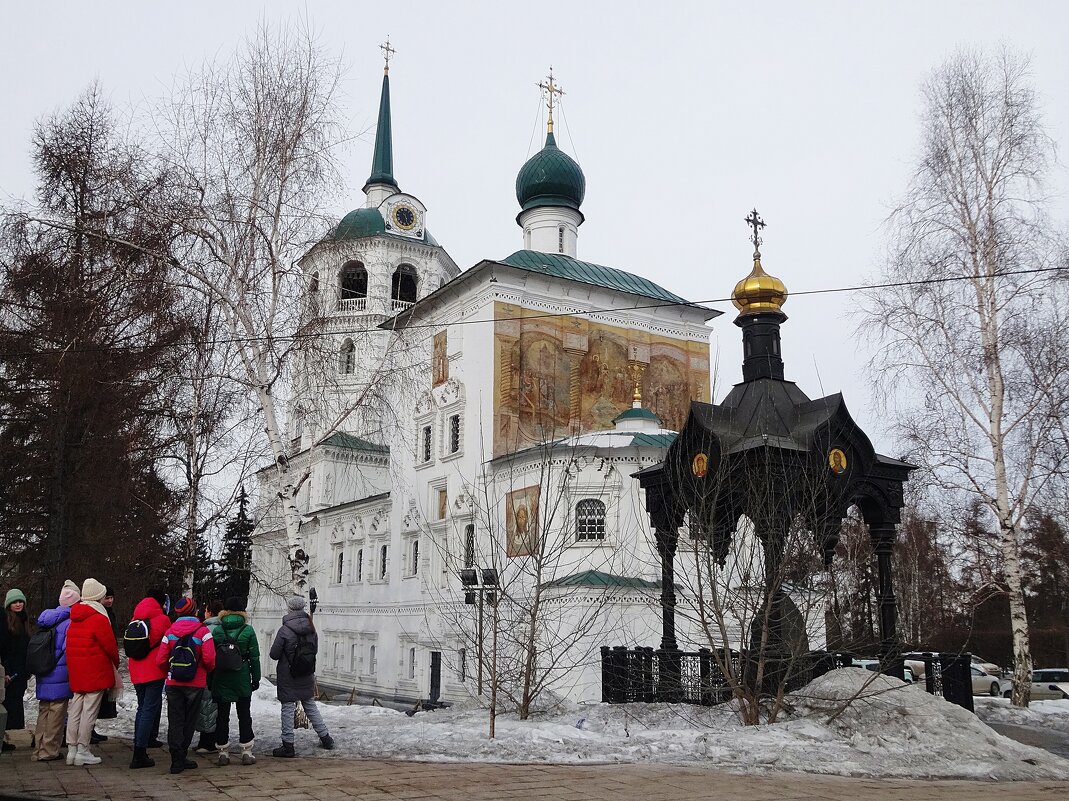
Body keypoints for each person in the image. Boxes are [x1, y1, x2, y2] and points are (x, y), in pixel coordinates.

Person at [156, 596, 216, 774]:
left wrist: (170, 670)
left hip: (174, 682)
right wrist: (205, 670)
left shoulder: (169, 631)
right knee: (189, 720)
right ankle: (182, 755)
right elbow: (210, 658)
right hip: (195, 683)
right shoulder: (203, 631)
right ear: (194, 610)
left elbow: (160, 660)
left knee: (175, 719)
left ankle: (175, 759)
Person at [269, 596, 333, 757]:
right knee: (310, 705)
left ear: (290, 609)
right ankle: (326, 738)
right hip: (306, 672)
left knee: (288, 708)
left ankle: (288, 745)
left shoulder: (285, 630)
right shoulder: (312, 628)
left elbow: (274, 654)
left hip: (288, 674)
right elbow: (315, 650)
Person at [65, 578, 119, 766]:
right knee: (89, 712)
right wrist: (116, 664)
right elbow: (110, 646)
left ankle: (71, 750)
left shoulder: (75, 617)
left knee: (75, 710)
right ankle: (83, 750)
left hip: (77, 671)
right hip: (95, 671)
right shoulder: (98, 617)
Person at [210, 596, 260, 766]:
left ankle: (223, 752)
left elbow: (211, 658)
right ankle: (246, 750)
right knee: (244, 714)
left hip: (221, 677)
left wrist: (211, 680)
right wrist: (256, 679)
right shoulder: (248, 630)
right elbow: (254, 657)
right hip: (242, 676)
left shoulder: (217, 631)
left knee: (222, 716)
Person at [32, 581, 79, 761]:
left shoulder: (47, 618)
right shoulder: (69, 622)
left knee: (43, 711)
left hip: (44, 670)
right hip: (59, 673)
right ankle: (49, 751)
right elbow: (69, 649)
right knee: (57, 713)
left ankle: (38, 749)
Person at [127, 589, 171, 769]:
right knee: (148, 710)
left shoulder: (134, 619)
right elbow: (169, 643)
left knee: (142, 708)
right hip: (154, 671)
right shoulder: (162, 620)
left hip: (136, 670)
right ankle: (139, 752)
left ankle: (140, 744)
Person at [1, 588, 31, 750]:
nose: (18, 604)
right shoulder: (6, 622)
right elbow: (6, 649)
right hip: (9, 671)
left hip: (20, 671)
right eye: (14, 602)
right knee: (6, 706)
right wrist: (4, 672)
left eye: (20, 601)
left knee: (12, 705)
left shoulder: (23, 620)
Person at [193, 598, 224, 755]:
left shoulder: (206, 629)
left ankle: (207, 742)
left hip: (207, 673)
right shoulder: (223, 627)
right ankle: (213, 740)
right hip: (220, 674)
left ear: (210, 612)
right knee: (213, 707)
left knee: (206, 707)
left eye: (205, 610)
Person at [92, 585, 119, 741]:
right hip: (101, 659)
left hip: (108, 658)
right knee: (94, 698)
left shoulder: (110, 614)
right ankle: (89, 730)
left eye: (111, 598)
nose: (109, 601)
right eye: (106, 598)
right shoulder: (99, 615)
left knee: (100, 697)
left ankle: (91, 728)